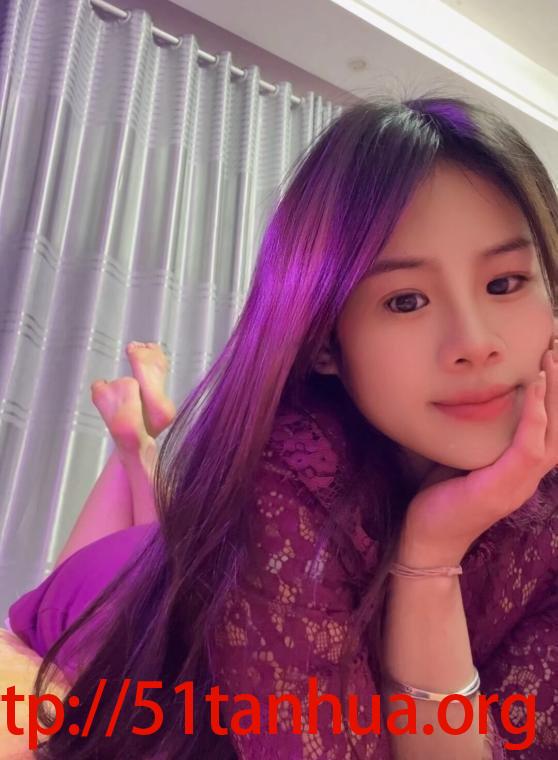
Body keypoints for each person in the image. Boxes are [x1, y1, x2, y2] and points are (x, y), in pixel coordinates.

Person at [6, 93, 558, 759]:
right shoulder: (296, 465)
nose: (474, 343)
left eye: (505, 283)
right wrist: (430, 559)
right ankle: (137, 447)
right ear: (325, 341)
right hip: (114, 596)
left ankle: (138, 444)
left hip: (181, 557)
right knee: (90, 578)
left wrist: (433, 549)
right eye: (406, 300)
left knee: (164, 526)